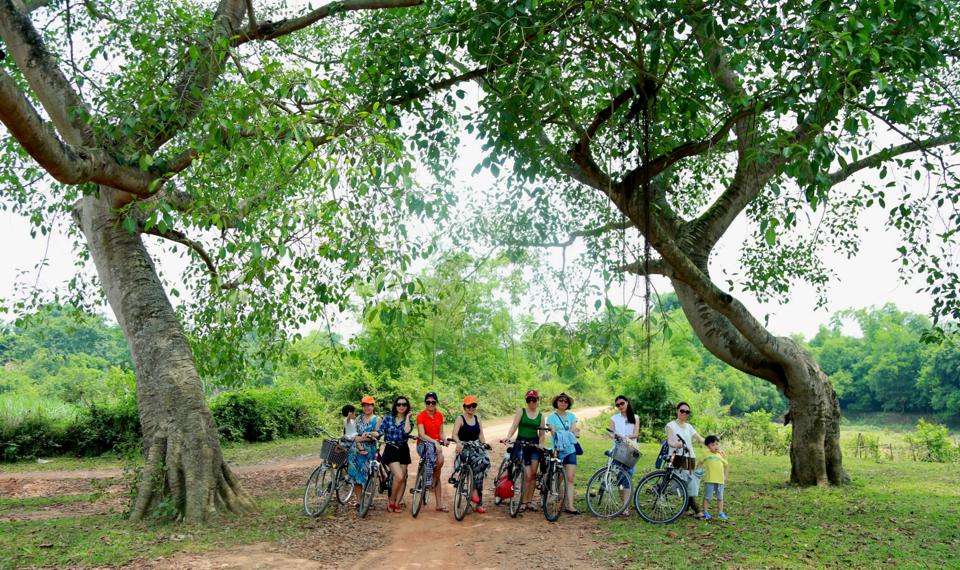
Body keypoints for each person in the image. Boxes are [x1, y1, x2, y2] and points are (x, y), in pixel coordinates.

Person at [502, 389, 545, 512]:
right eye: (529, 400)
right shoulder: (521, 411)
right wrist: (508, 437)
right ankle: (522, 501)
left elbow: (541, 434)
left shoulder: (541, 416)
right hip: (521, 443)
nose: (531, 402)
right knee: (527, 475)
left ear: (538, 400)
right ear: (526, 401)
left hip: (534, 445)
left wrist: (541, 444)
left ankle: (529, 501)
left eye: (534, 400)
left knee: (533, 475)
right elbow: (514, 426)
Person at [450, 395, 491, 514]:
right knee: (478, 462)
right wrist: (458, 443)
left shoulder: (477, 418)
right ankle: (473, 495)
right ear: (464, 407)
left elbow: (481, 435)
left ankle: (477, 500)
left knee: (483, 465)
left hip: (476, 446)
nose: (471, 408)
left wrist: (484, 444)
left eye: (473, 405)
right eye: (468, 406)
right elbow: (454, 434)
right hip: (464, 447)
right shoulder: (460, 418)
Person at [666, 401, 706, 517]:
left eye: (687, 412)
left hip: (690, 457)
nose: (684, 413)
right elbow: (669, 441)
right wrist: (676, 445)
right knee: (684, 484)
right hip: (677, 457)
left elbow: (701, 439)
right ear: (677, 411)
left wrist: (712, 442)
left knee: (690, 483)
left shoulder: (689, 427)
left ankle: (687, 509)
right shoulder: (671, 425)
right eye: (682, 411)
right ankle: (697, 510)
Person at [547, 392, 581, 515]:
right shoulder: (551, 417)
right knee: (559, 477)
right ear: (556, 402)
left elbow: (573, 429)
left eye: (566, 401)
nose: (563, 403)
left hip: (570, 449)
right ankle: (557, 495)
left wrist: (566, 432)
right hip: (557, 450)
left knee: (570, 478)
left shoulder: (572, 416)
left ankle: (570, 505)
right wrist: (570, 433)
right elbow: (554, 433)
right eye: (561, 400)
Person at [379, 396, 413, 513]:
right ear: (395, 406)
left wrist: (408, 417)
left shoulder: (408, 420)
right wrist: (370, 434)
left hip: (403, 449)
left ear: (407, 407)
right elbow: (380, 431)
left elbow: (407, 431)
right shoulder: (388, 418)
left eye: (404, 404)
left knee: (403, 477)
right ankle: (391, 500)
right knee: (399, 476)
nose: (401, 406)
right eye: (399, 404)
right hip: (391, 448)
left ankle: (397, 503)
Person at [416, 391, 448, 512]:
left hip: (436, 446)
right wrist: (434, 442)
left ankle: (433, 479)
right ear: (425, 403)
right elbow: (421, 434)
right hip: (423, 445)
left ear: (436, 403)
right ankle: (430, 479)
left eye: (433, 402)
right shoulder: (421, 416)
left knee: (439, 463)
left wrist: (444, 439)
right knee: (433, 452)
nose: (430, 404)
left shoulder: (440, 415)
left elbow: (441, 433)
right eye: (428, 402)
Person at [609, 395, 640, 517]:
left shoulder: (635, 417)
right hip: (618, 449)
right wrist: (614, 435)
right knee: (620, 478)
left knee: (628, 477)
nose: (620, 406)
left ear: (627, 402)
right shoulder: (614, 418)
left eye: (622, 403)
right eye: (617, 405)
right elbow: (610, 432)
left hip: (631, 450)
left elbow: (636, 433)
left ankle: (625, 506)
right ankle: (623, 505)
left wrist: (624, 437)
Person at [347, 395, 381, 505]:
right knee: (356, 476)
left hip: (369, 450)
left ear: (373, 406)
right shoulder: (358, 418)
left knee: (367, 476)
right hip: (356, 450)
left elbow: (378, 433)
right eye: (364, 406)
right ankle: (359, 501)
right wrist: (356, 437)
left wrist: (369, 434)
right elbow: (352, 431)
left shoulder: (377, 419)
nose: (366, 408)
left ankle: (368, 501)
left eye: (369, 405)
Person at [699, 435, 729, 520]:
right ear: (708, 446)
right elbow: (700, 462)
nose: (716, 446)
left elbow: (726, 465)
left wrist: (725, 477)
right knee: (707, 497)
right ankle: (706, 512)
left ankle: (721, 512)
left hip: (720, 480)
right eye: (713, 445)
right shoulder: (706, 454)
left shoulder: (720, 455)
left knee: (720, 497)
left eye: (717, 444)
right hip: (709, 480)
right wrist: (699, 470)